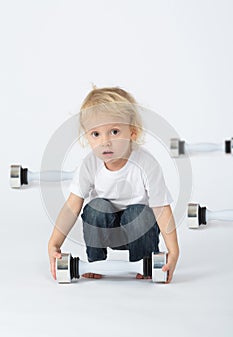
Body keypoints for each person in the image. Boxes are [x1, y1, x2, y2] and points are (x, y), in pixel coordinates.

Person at [48, 86, 179, 283]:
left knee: (138, 213)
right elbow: (72, 206)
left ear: (132, 133)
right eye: (96, 134)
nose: (105, 142)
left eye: (114, 131)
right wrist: (54, 243)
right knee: (95, 208)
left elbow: (161, 209)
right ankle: (96, 262)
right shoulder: (90, 164)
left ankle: (143, 262)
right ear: (87, 137)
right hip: (106, 228)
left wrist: (173, 250)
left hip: (139, 231)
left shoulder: (146, 164)